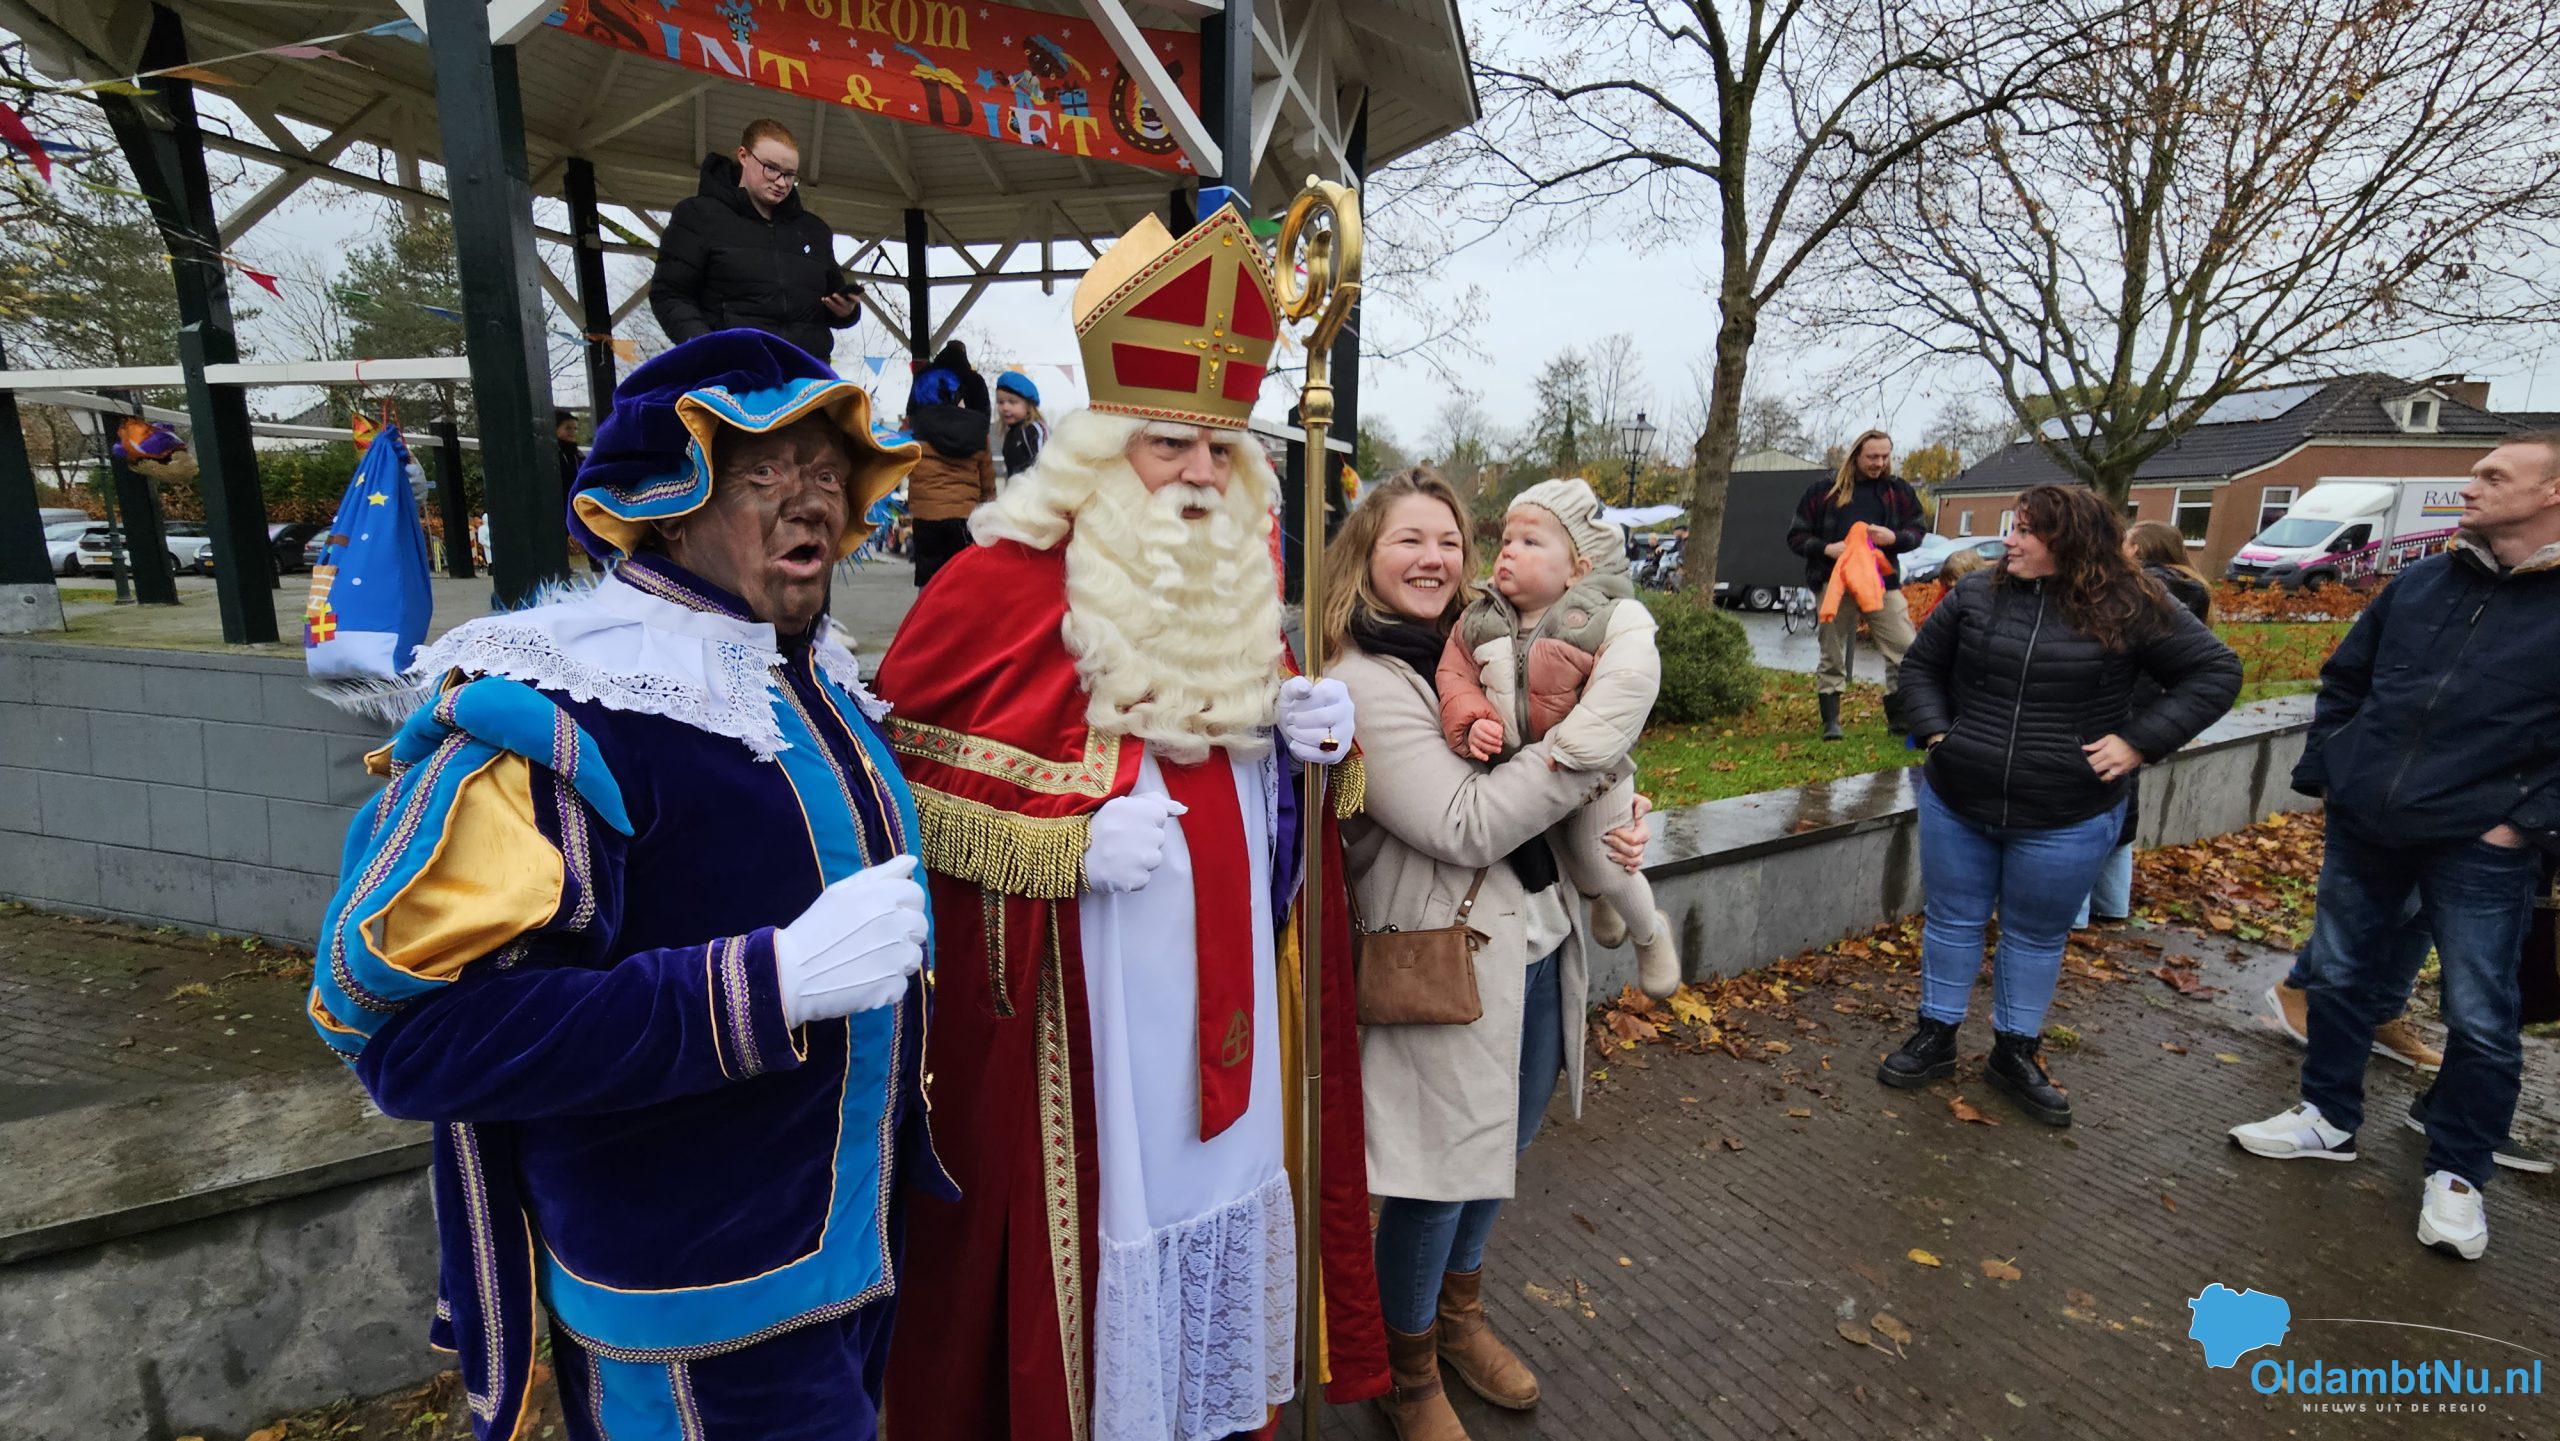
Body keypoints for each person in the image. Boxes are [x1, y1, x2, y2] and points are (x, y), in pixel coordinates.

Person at [306, 333, 939, 1441]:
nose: (809, 501)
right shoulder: (561, 701)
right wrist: (767, 983)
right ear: (671, 505)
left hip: (848, 1255)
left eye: (827, 473)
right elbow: (412, 1037)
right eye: (762, 472)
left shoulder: (813, 679)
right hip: (690, 1311)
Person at [873, 207, 1388, 1441]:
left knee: (1223, 1219)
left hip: (1234, 1015)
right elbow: (900, 795)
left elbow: (1277, 836)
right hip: (1093, 1024)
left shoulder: (1245, 588)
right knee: (1110, 1240)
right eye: (1168, 444)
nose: (1201, 473)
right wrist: (1062, 840)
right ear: (1099, 452)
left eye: (1220, 448)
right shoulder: (992, 586)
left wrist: (1309, 750)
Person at [1323, 467, 1654, 1441]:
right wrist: (1590, 750)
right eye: (1407, 540)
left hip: (1537, 939)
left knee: (1498, 1151)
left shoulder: (1486, 641)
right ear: (1365, 555)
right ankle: (1405, 1366)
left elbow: (1553, 755)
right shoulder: (1362, 679)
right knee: (1436, 1178)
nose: (1433, 559)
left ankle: (1459, 1316)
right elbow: (1464, 822)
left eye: (1448, 541)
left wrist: (1624, 808)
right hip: (1444, 963)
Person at [2230, 433, 2560, 1259]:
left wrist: (2520, 823)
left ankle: (2458, 1173)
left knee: (2480, 1014)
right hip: (2368, 824)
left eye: (2493, 474)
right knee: (2339, 976)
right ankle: (2327, 1115)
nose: (2469, 486)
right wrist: (2335, 773)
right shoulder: (2421, 583)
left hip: (2482, 845)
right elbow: (2346, 679)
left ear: (2552, 493)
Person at [1885, 484, 2241, 1125]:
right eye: (2013, 527)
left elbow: (2215, 672)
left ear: (2069, 541)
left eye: (2025, 531)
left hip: (2066, 812)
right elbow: (1919, 669)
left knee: (2034, 935)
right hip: (1959, 799)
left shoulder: (2132, 603)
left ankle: (2014, 1052)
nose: (2009, 541)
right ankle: (1934, 1037)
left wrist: (2139, 741)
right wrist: (1939, 734)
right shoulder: (1975, 594)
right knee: (1952, 922)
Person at [1436, 478, 1679, 999]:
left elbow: (1629, 678)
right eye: (1507, 540)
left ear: (1577, 569)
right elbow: (1454, 674)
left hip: (1591, 771)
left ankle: (1649, 931)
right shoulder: (1479, 619)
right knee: (1571, 857)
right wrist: (1471, 719)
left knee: (1602, 858)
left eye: (1531, 542)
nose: (1509, 552)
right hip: (1523, 773)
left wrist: (1576, 748)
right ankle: (1601, 898)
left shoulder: (1607, 618)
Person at [2072, 519, 2214, 928]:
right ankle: (2112, 903)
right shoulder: (2192, 589)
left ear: (2138, 549)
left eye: (2127, 542)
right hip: (2150, 707)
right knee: (2122, 803)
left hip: (2124, 703)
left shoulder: (2142, 593)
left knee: (2088, 807)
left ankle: (2074, 911)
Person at [650, 119, 858, 361]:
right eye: (771, 168)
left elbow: (828, 302)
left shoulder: (814, 230)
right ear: (743, 156)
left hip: (807, 373)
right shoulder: (698, 215)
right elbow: (670, 293)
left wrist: (846, 311)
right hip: (731, 370)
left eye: (790, 175)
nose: (781, 182)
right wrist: (704, 347)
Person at [1788, 431, 1928, 740]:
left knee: (1905, 648)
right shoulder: (1823, 491)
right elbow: (1796, 536)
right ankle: (1831, 722)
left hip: (1882, 583)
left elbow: (1918, 529)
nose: (1879, 463)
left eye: (1885, 456)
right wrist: (1827, 549)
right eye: (1872, 457)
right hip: (1833, 581)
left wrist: (1895, 538)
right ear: (1856, 456)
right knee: (1832, 651)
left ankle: (1899, 719)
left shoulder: (1898, 491)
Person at [902, 342, 996, 589]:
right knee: (963, 578)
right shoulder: (978, 429)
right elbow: (987, 477)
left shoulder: (914, 430)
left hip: (927, 515)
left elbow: (901, 464)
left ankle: (928, 611)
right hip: (965, 516)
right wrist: (989, 507)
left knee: (929, 580)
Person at [997, 369, 1049, 478]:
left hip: (1035, 486)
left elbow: (1043, 464)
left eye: (1012, 402)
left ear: (1029, 405)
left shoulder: (1034, 429)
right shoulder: (1011, 434)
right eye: (1001, 402)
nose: (1005, 407)